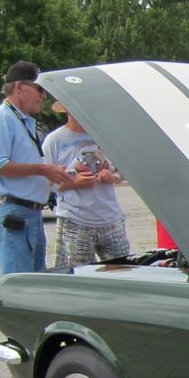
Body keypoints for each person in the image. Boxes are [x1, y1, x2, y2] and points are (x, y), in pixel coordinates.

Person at [0, 60, 76, 274]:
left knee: (34, 281)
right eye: (40, 88)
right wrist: (43, 170)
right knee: (21, 283)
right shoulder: (2, 118)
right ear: (19, 87)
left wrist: (54, 173)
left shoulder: (22, 120)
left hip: (29, 212)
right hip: (15, 212)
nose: (44, 95)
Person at [43, 103, 130, 266]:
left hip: (111, 218)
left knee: (123, 271)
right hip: (75, 220)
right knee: (79, 276)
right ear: (67, 111)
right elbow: (48, 183)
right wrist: (75, 183)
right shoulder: (54, 141)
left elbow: (123, 170)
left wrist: (112, 176)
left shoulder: (105, 136)